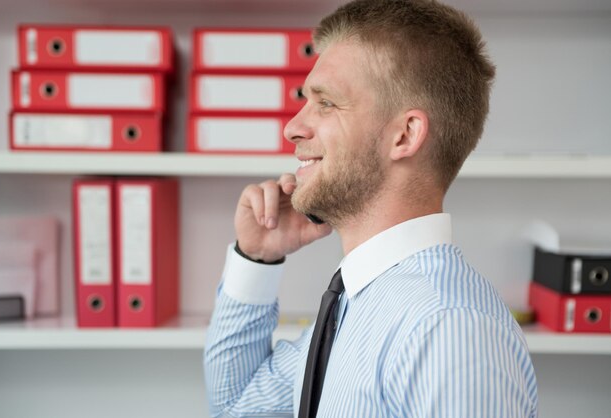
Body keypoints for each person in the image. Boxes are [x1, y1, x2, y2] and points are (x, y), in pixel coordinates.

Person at [204, 0, 538, 416]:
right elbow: (237, 407)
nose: (293, 127)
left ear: (404, 135)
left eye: (326, 103)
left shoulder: (448, 327)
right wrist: (256, 258)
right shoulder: (358, 300)